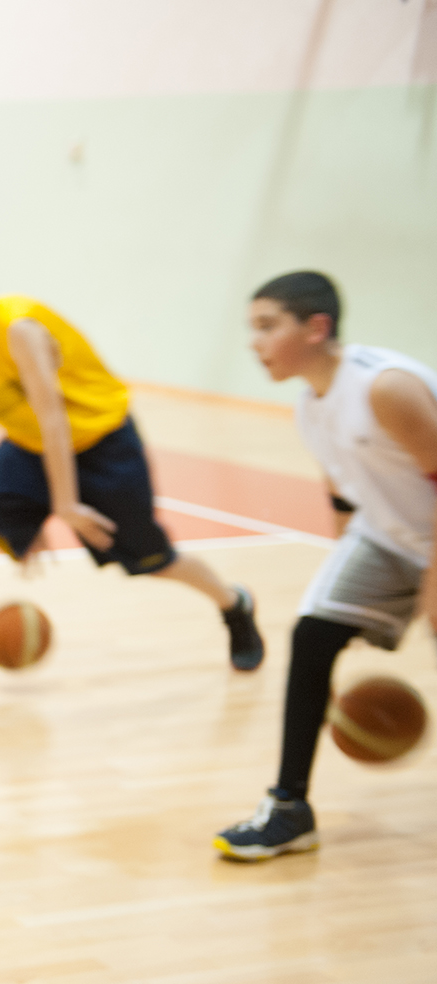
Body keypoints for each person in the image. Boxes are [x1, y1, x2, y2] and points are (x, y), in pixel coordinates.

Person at [0, 242, 263, 704]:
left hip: (103, 447)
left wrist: (61, 503)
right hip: (35, 448)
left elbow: (53, 418)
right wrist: (27, 514)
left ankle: (232, 602)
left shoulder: (17, 327)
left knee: (153, 560)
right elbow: (27, 429)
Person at [216, 272, 437, 860]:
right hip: (392, 540)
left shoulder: (384, 387)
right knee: (315, 634)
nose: (254, 342)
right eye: (251, 328)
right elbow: (344, 494)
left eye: (267, 326)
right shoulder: (311, 408)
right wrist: (351, 599)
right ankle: (290, 809)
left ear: (318, 328)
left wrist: (432, 585)